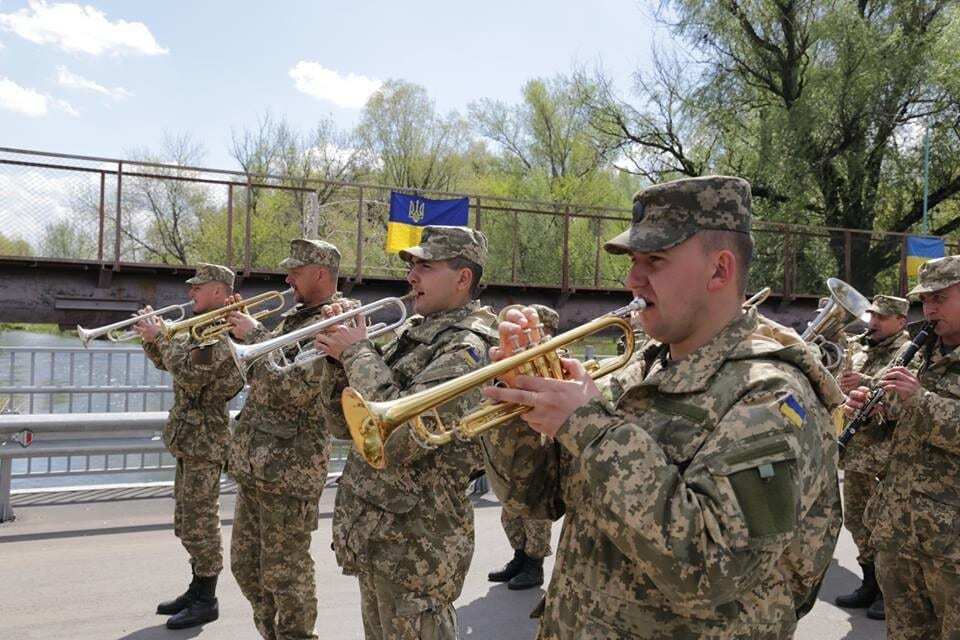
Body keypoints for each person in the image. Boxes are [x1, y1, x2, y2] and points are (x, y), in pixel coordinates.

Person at [481, 176, 842, 638]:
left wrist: (590, 428)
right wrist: (521, 401)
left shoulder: (771, 396)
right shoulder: (642, 372)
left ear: (719, 271)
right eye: (633, 261)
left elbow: (710, 568)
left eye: (655, 260)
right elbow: (533, 498)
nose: (633, 279)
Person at [315, 225, 498, 640]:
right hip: (380, 534)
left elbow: (397, 440)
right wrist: (335, 360)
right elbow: (347, 426)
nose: (411, 276)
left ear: (463, 278)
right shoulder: (414, 333)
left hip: (418, 547)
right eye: (412, 265)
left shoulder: (468, 347)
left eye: (425, 266)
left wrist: (357, 352)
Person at [227, 239, 354, 640]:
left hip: (290, 473)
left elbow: (294, 386)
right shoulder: (295, 318)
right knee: (246, 566)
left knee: (287, 574)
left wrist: (256, 334)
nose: (288, 278)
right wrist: (251, 340)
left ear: (320, 273)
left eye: (295, 271)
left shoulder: (339, 318)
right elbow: (257, 377)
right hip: (256, 465)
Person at [847, 256, 960, 640]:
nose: (929, 309)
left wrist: (921, 400)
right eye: (925, 300)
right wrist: (872, 406)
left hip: (952, 545)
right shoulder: (919, 349)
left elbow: (919, 405)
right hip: (899, 530)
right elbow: (894, 417)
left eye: (940, 298)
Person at [136, 263, 244, 630]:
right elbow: (170, 363)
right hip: (188, 436)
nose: (190, 293)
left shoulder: (221, 331)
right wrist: (153, 340)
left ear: (218, 291)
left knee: (201, 523)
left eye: (198, 288)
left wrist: (161, 339)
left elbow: (191, 373)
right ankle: (196, 589)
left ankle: (207, 600)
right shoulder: (199, 327)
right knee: (186, 521)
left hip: (206, 440)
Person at [834, 294, 910, 619]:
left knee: (885, 527)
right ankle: (868, 584)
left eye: (882, 317)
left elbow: (901, 403)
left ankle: (887, 592)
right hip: (856, 455)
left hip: (885, 458)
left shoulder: (909, 352)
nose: (874, 322)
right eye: (873, 315)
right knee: (856, 521)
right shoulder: (861, 347)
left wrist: (863, 383)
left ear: (900, 321)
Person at [487, 303, 556, 591]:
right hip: (507, 446)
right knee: (510, 508)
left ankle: (534, 565)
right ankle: (519, 556)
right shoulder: (507, 357)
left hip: (534, 445)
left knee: (534, 508)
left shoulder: (553, 357)